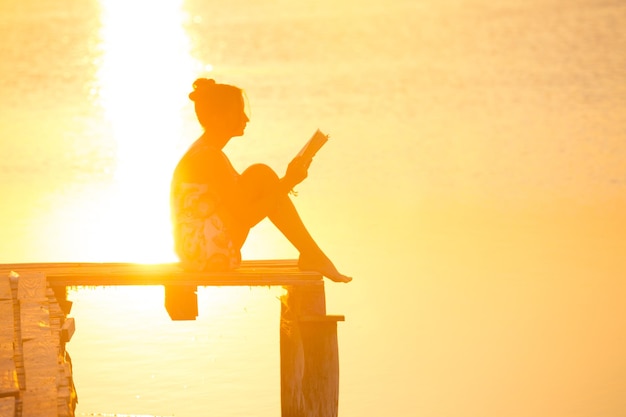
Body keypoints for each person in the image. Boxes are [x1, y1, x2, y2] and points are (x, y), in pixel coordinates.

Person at [170, 78, 352, 283]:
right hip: (207, 256)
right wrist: (288, 182)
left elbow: (246, 205)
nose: (246, 118)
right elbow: (246, 217)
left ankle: (313, 254)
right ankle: (313, 254)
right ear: (217, 117)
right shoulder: (209, 157)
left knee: (261, 176)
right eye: (239, 111)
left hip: (198, 253)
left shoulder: (206, 152)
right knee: (261, 174)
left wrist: (285, 182)